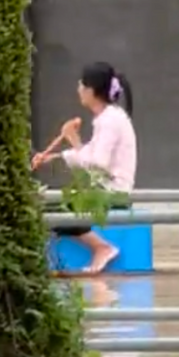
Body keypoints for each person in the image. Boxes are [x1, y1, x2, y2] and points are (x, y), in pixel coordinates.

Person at [32, 62, 137, 274]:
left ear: (91, 90)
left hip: (111, 194)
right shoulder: (108, 117)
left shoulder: (109, 120)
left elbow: (98, 165)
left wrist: (73, 141)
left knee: (51, 213)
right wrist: (53, 157)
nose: (78, 89)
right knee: (49, 208)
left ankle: (102, 247)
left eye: (81, 85)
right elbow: (91, 154)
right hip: (105, 191)